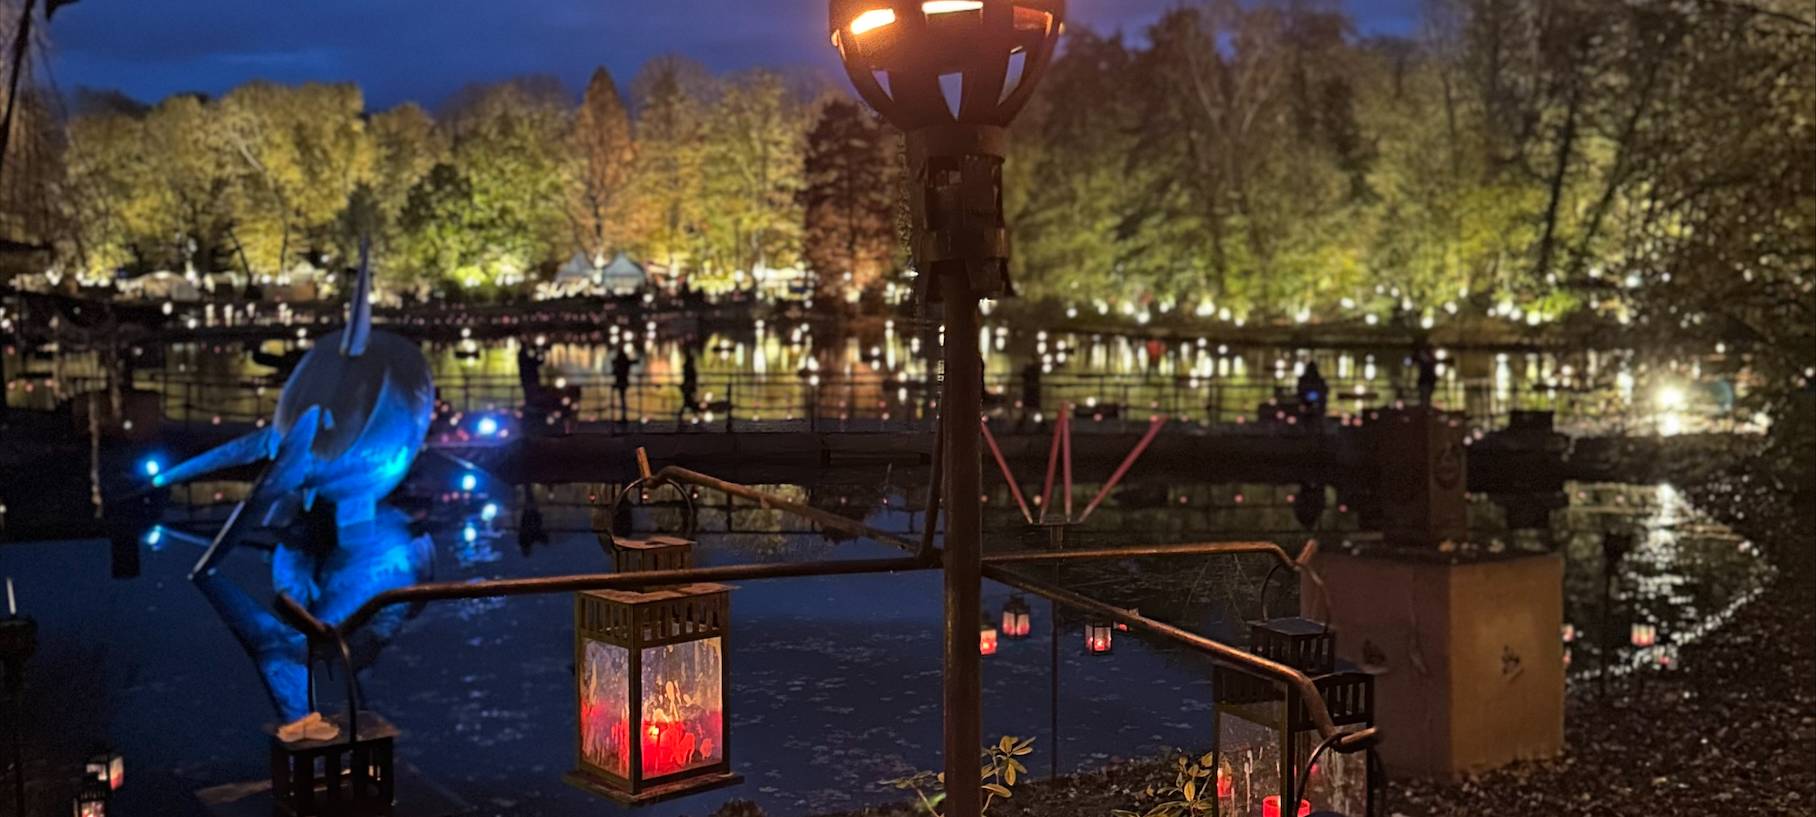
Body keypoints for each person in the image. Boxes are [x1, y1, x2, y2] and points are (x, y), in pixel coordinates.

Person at [611, 345, 637, 425]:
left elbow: (614, 371)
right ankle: (623, 417)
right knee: (623, 399)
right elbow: (631, 363)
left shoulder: (619, 359)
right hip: (624, 381)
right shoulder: (624, 359)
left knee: (622, 399)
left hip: (620, 381)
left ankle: (623, 417)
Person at [678, 347, 701, 425]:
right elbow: (692, 377)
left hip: (688, 387)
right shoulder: (690, 367)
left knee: (687, 403)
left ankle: (680, 418)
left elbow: (688, 377)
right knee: (689, 403)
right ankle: (695, 417)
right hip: (689, 387)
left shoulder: (686, 367)